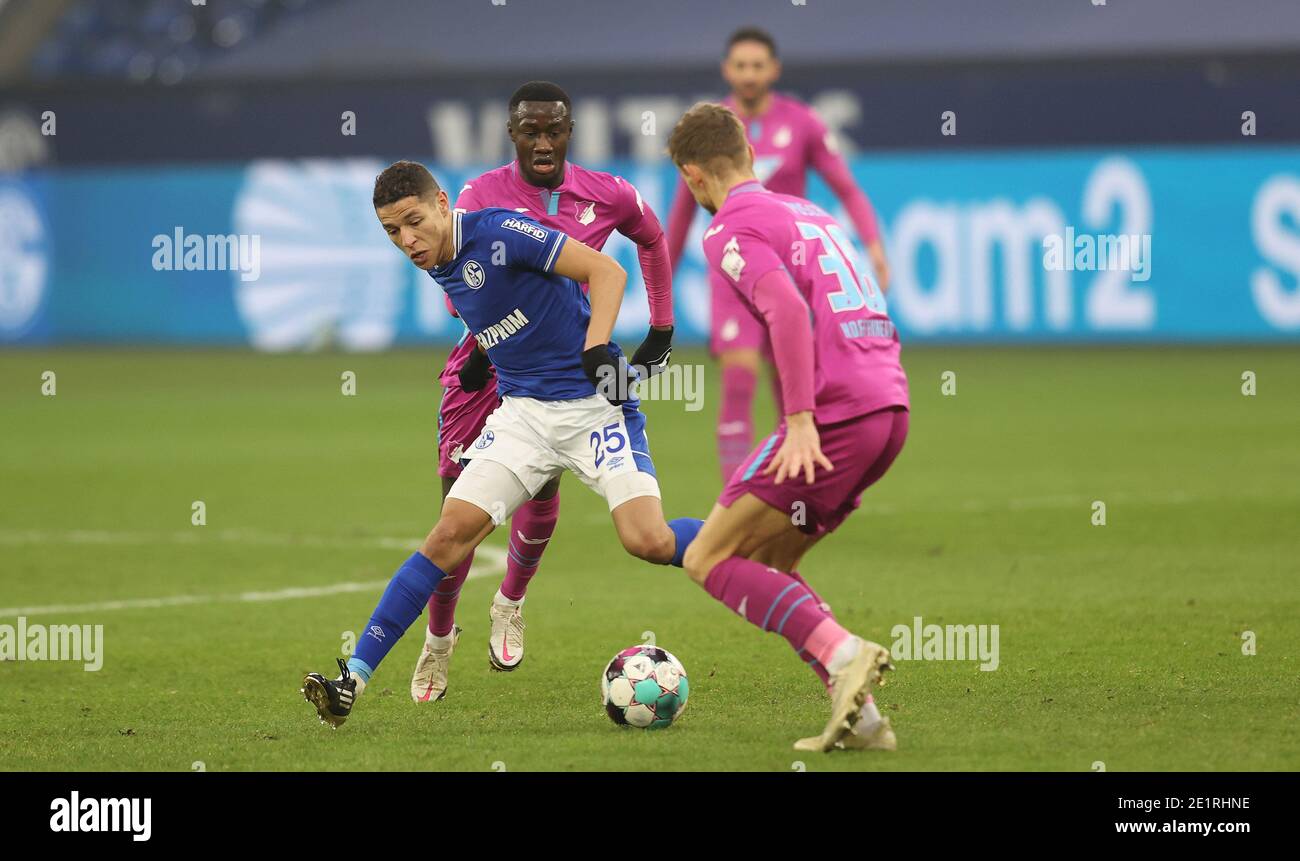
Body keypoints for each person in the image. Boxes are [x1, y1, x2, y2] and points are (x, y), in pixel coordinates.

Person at [301, 161, 701, 728]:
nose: (407, 241)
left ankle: (733, 538)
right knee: (446, 537)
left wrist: (597, 345)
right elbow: (519, 309)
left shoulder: (499, 232)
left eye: (414, 222)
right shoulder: (439, 259)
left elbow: (607, 271)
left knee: (649, 542)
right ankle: (351, 682)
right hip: (522, 419)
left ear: (442, 202)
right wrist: (486, 355)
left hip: (595, 410)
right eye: (392, 232)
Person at [414, 81, 674, 702]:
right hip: (489, 357)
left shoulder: (607, 193)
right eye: (529, 130)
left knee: (548, 476)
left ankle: (510, 600)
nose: (541, 141)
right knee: (457, 515)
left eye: (552, 129)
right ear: (512, 134)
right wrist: (477, 343)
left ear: (569, 132)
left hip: (562, 367)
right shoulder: (481, 196)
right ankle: (438, 640)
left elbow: (651, 239)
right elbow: (463, 280)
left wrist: (661, 325)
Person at [667, 102, 909, 752]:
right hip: (889, 407)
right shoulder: (811, 212)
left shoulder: (727, 229)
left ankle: (845, 651)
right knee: (770, 561)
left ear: (693, 177)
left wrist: (799, 416)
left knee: (706, 556)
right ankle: (863, 720)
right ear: (748, 151)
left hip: (834, 413)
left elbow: (790, 312)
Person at [664, 27, 889, 482]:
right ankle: (736, 490)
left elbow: (846, 188)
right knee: (739, 377)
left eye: (757, 65)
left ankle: (794, 478)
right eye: (741, 66)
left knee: (790, 384)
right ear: (728, 70)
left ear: (774, 70)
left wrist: (874, 246)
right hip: (735, 266)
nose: (749, 74)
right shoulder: (714, 129)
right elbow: (683, 210)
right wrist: (660, 278)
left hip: (791, 269)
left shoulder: (802, 122)